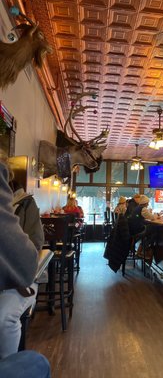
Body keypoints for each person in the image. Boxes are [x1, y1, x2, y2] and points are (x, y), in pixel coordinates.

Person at [0, 159, 51, 377]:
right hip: (19, 272)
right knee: (37, 364)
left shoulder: (27, 204)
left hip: (22, 277)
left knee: (4, 317)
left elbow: (35, 244)